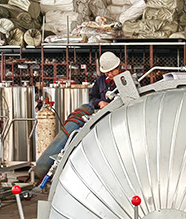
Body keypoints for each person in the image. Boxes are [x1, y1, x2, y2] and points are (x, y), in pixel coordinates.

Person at [34, 52, 122, 180]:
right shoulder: (101, 81)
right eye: (107, 72)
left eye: (112, 71)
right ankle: (42, 170)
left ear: (118, 67)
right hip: (100, 118)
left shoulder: (126, 80)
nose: (109, 74)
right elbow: (92, 98)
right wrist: (99, 103)